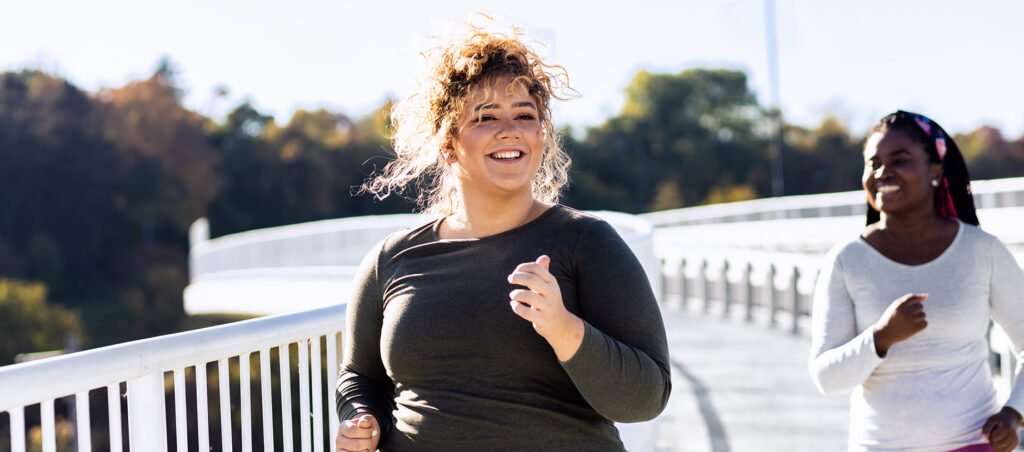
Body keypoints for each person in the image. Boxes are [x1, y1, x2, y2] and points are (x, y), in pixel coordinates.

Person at [334, 21, 671, 451]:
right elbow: (361, 377)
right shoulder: (392, 260)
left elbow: (647, 397)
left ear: (540, 136)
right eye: (486, 117)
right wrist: (361, 419)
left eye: (525, 116)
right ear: (448, 143)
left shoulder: (587, 243)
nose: (509, 130)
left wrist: (563, 328)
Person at [808, 110, 1024, 451]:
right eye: (873, 162)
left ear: (936, 170)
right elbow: (826, 377)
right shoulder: (846, 260)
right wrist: (881, 337)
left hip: (972, 444)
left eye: (900, 159)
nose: (883, 172)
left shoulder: (982, 251)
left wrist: (1014, 414)